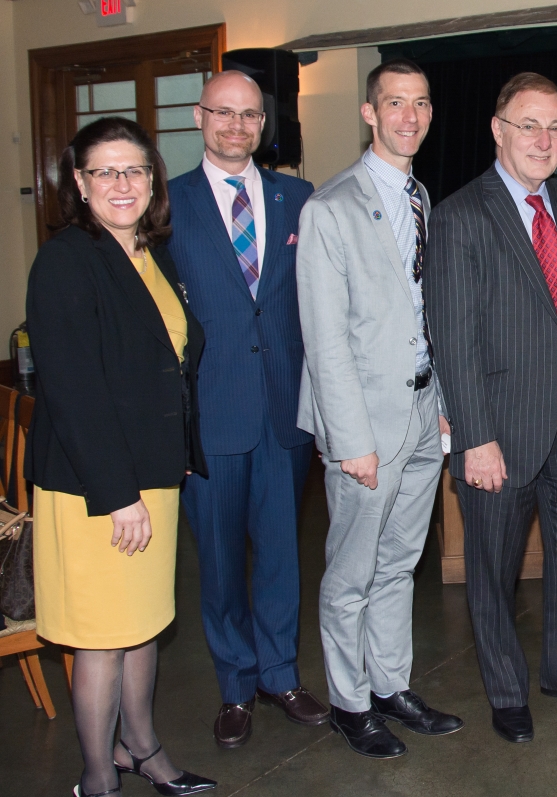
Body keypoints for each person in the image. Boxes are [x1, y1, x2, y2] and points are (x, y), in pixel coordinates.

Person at [425, 72, 557, 745]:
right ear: (498, 129)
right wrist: (474, 436)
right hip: (499, 429)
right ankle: (506, 690)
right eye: (529, 125)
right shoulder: (459, 215)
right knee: (492, 567)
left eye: (556, 127)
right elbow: (452, 337)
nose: (543, 140)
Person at [26, 117, 215, 797]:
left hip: (149, 477)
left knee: (141, 628)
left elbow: (169, 366)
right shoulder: (66, 260)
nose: (121, 183)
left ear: (153, 180)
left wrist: (179, 452)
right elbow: (74, 390)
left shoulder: (149, 253)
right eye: (103, 171)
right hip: (95, 489)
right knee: (102, 637)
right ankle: (98, 776)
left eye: (134, 169)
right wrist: (117, 494)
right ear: (78, 182)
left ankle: (144, 749)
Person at [296, 58, 463, 759]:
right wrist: (349, 437)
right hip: (364, 425)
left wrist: (445, 404)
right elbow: (324, 337)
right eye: (395, 104)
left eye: (421, 104)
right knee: (352, 572)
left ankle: (391, 684)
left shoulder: (420, 194)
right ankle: (348, 700)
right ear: (369, 112)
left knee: (401, 562)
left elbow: (423, 312)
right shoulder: (329, 207)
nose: (410, 117)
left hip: (424, 413)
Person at [167, 71, 328, 749]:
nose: (236, 126)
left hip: (284, 408)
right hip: (210, 414)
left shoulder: (300, 198)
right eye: (223, 113)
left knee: (282, 555)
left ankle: (279, 673)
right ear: (201, 117)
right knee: (222, 559)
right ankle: (235, 684)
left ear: (264, 124)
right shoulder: (165, 204)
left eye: (250, 115)